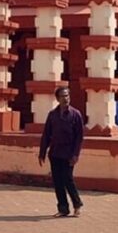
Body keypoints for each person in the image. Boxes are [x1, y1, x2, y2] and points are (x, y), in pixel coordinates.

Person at [37, 86, 84, 218]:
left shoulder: (76, 114)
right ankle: (63, 208)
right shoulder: (52, 115)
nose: (66, 99)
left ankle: (77, 204)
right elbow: (46, 135)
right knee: (57, 181)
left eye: (67, 95)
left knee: (67, 179)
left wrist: (75, 154)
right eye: (63, 96)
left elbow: (79, 137)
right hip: (55, 152)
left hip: (69, 153)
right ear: (57, 99)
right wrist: (42, 153)